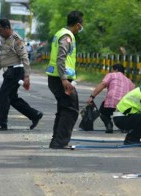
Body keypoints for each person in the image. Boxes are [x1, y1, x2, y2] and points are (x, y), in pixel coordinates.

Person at [0, 18, 43, 131]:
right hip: (9, 71)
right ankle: (34, 114)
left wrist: (27, 76)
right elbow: (3, 57)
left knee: (3, 95)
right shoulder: (5, 39)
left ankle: (2, 123)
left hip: (16, 71)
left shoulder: (16, 40)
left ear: (7, 28)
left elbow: (25, 58)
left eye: (0, 30)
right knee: (12, 98)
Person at [46, 10, 84, 149]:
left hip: (56, 78)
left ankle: (57, 140)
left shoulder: (60, 33)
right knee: (71, 109)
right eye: (81, 25)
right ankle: (60, 141)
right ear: (78, 25)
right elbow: (60, 58)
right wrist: (64, 79)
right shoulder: (66, 36)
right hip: (60, 79)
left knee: (64, 109)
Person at [86, 64, 135, 133]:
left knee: (103, 112)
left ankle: (109, 125)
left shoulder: (111, 75)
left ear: (116, 70)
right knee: (119, 113)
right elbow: (133, 93)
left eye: (112, 70)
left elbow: (102, 84)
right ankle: (124, 127)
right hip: (125, 105)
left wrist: (92, 96)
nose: (112, 71)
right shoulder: (129, 81)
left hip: (111, 102)